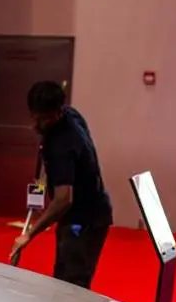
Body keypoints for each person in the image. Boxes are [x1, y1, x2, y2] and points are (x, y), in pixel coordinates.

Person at [9, 80, 113, 289]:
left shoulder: (62, 143)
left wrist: (29, 234)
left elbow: (64, 199)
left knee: (71, 286)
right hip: (84, 214)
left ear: (58, 111)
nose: (39, 124)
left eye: (46, 118)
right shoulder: (71, 115)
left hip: (84, 220)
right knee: (63, 278)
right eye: (36, 117)